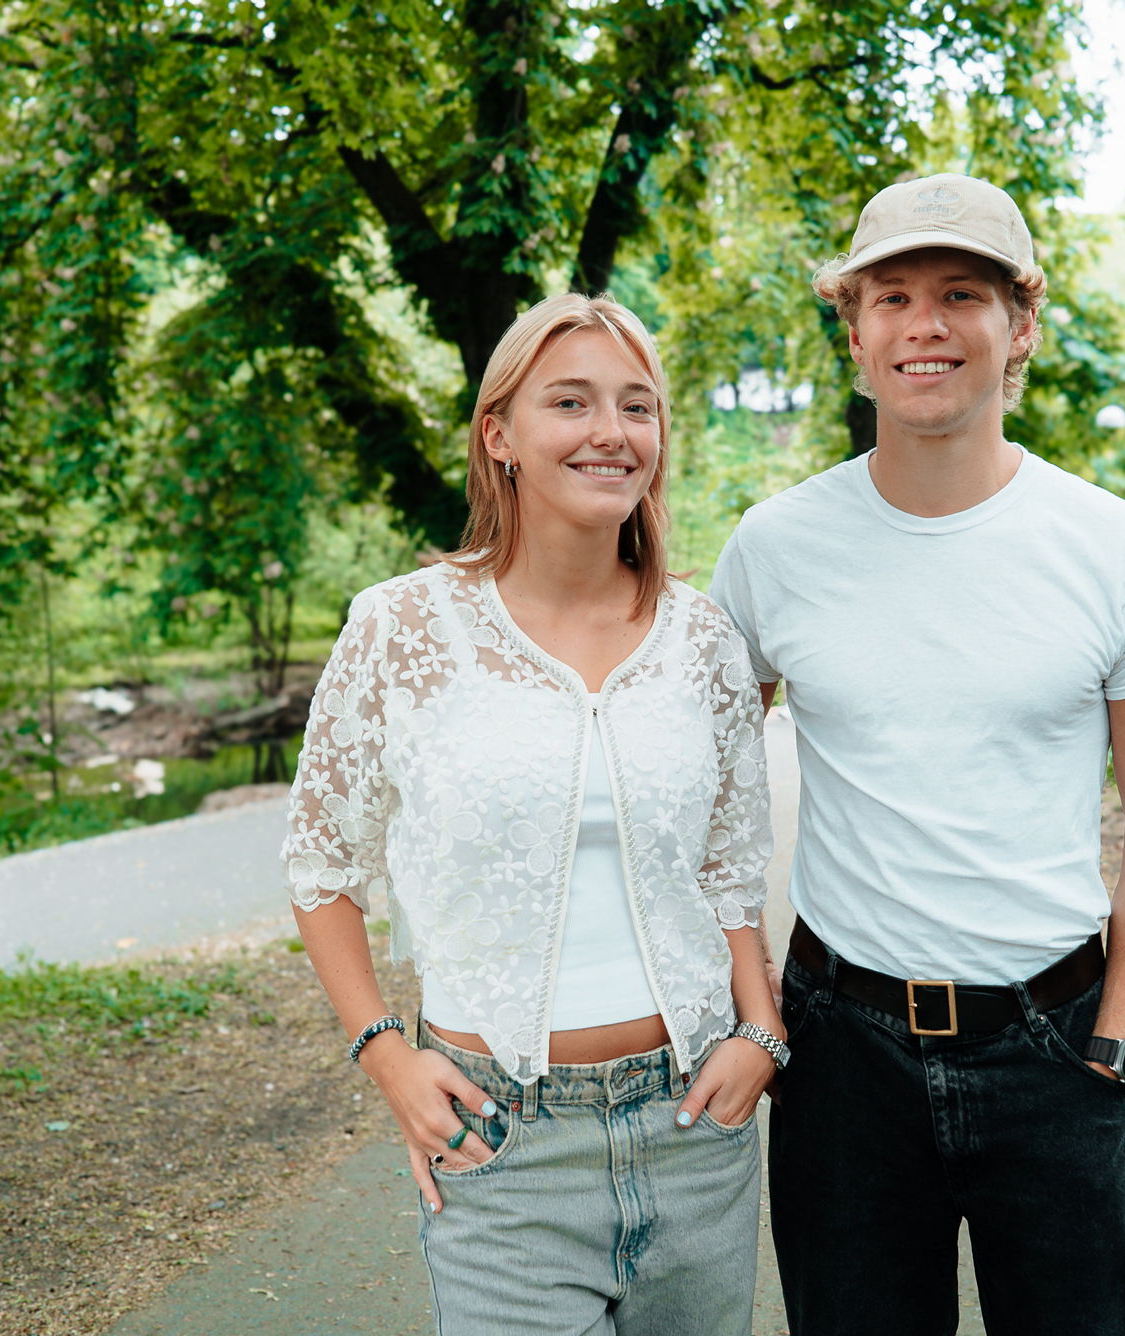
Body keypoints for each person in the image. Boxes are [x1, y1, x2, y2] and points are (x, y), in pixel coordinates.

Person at [710, 173, 1125, 1335]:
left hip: (1053, 1051)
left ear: (1019, 323)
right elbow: (694, 790)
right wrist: (751, 1006)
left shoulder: (1119, 553)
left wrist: (1117, 1047)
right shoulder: (774, 547)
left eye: (960, 294)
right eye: (888, 296)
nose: (923, 325)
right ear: (852, 330)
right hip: (839, 1057)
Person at [284, 292, 783, 1335]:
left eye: (635, 406)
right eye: (571, 401)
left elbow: (730, 866)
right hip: (499, 1139)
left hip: (694, 1124)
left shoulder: (701, 640)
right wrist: (386, 1055)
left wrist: (762, 1031)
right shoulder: (401, 629)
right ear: (499, 434)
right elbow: (321, 863)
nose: (610, 431)